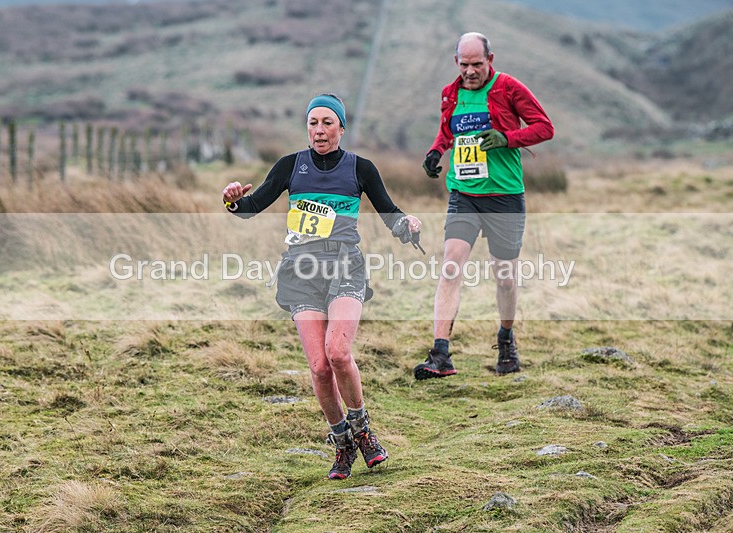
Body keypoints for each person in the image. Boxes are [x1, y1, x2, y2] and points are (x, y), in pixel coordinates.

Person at [222, 93, 422, 480]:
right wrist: (232, 201)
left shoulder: (360, 168)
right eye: (313, 123)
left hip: (345, 266)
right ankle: (342, 443)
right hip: (301, 273)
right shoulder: (290, 166)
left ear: (341, 128)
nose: (319, 130)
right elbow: (252, 207)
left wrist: (406, 224)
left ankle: (363, 430)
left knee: (338, 353)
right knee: (318, 368)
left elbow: (389, 213)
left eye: (327, 122)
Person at [413, 32, 554, 380]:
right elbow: (448, 131)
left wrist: (507, 139)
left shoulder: (509, 88)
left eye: (477, 64)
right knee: (450, 266)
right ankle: (440, 353)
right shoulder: (451, 93)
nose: (471, 71)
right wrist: (435, 151)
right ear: (456, 63)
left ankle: (506, 338)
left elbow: (545, 128)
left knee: (504, 277)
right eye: (464, 65)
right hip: (464, 194)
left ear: (491, 59)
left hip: (504, 195)